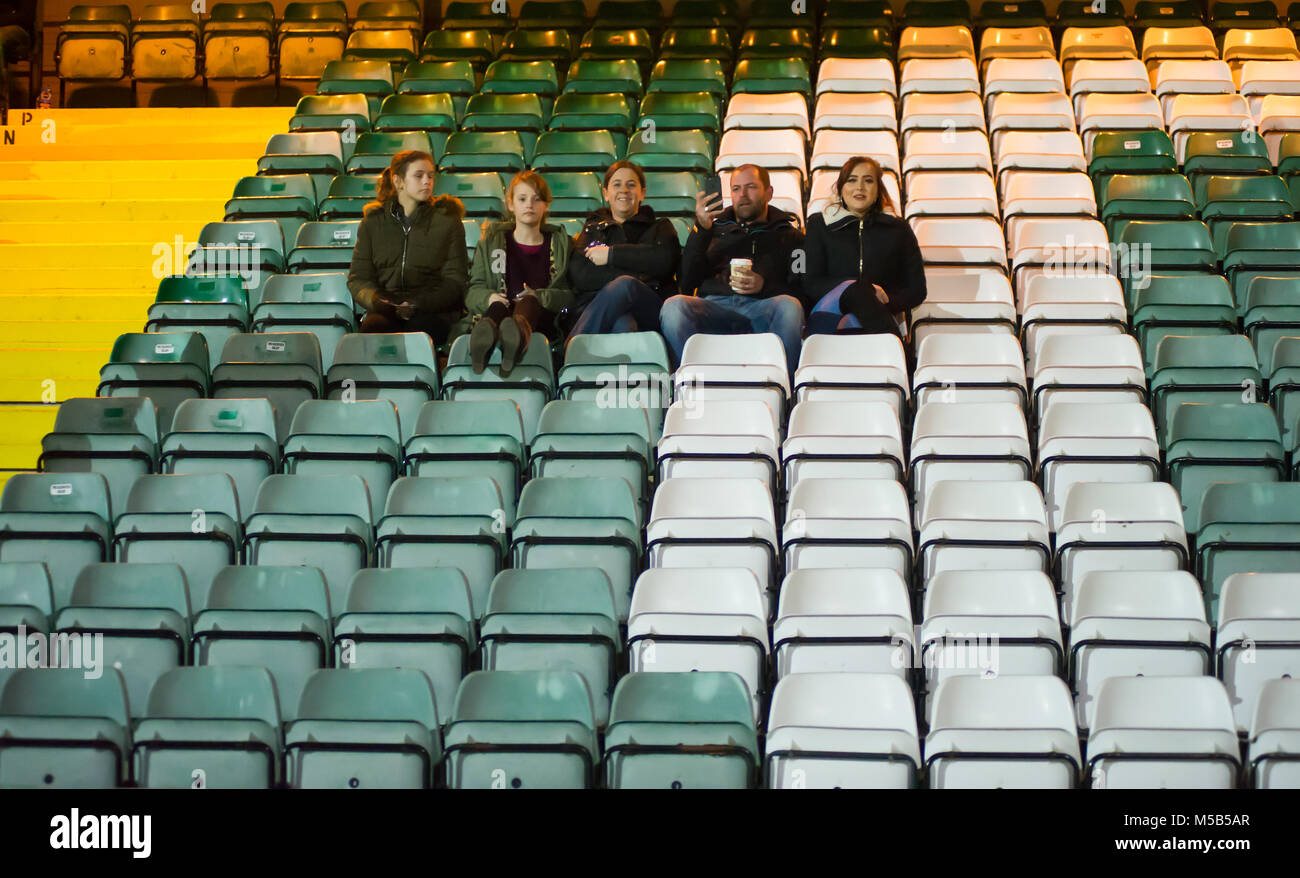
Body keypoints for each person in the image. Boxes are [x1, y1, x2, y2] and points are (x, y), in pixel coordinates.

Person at [660, 164, 806, 373]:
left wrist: (764, 286)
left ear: (769, 193)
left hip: (762, 310)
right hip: (715, 309)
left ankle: (786, 387)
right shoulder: (712, 229)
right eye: (736, 189)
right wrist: (701, 229)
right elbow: (686, 282)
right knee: (673, 306)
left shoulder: (792, 237)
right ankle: (689, 382)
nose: (743, 195)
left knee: (790, 306)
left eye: (751, 187)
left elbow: (801, 290)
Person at [348, 150, 468, 343]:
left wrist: (418, 304)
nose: (427, 181)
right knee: (372, 330)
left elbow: (455, 281)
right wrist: (378, 301)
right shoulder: (373, 223)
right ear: (398, 181)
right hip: (387, 308)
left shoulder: (447, 222)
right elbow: (358, 279)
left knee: (417, 334)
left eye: (430, 176)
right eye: (419, 176)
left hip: (433, 310)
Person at [464, 170, 574, 374]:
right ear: (511, 204)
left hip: (543, 321)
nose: (529, 205)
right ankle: (483, 344)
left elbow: (569, 296)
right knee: (497, 307)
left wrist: (539, 296)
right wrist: (489, 298)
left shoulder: (562, 244)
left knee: (528, 302)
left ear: (546, 205)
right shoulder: (490, 242)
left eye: (537, 199)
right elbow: (473, 292)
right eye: (522, 199)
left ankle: (514, 341)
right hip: (497, 313)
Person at [804, 156, 927, 337]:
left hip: (879, 311)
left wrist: (887, 299)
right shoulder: (819, 224)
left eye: (868, 181)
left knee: (854, 320)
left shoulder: (898, 229)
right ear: (841, 188)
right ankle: (900, 355)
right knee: (857, 291)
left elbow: (917, 290)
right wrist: (860, 288)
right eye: (851, 180)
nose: (860, 187)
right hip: (829, 310)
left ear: (878, 189)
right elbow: (810, 283)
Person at [567, 160, 681, 339]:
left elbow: (663, 261)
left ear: (642, 192)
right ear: (606, 193)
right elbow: (582, 275)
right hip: (600, 308)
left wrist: (611, 256)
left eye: (631, 185)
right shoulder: (592, 228)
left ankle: (574, 348)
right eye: (617, 184)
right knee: (623, 323)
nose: (624, 190)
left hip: (648, 309)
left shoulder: (660, 226)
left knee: (626, 284)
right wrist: (641, 273)